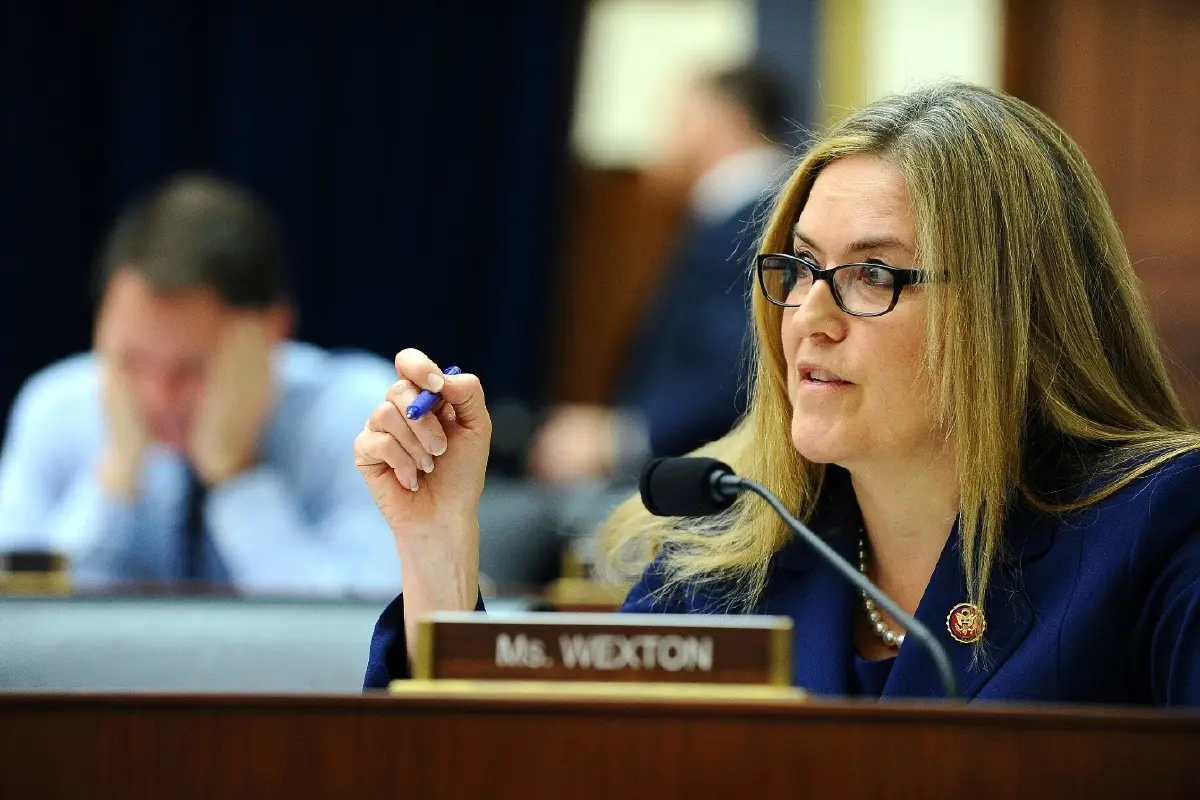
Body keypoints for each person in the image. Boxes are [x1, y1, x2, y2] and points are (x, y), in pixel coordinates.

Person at [357, 81, 1200, 704]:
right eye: (799, 267)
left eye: (871, 274)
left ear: (1012, 312)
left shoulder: (1159, 530)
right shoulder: (719, 570)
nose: (808, 317)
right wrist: (439, 549)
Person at [0, 173, 401, 595]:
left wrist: (237, 477)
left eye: (191, 368)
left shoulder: (357, 418)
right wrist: (112, 483)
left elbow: (371, 618)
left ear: (273, 331)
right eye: (132, 360)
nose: (158, 394)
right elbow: (20, 615)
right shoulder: (56, 408)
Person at [527, 60, 792, 484]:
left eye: (678, 119)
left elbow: (741, 363)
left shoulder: (753, 220)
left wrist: (621, 439)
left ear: (722, 118)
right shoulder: (735, 215)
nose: (662, 138)